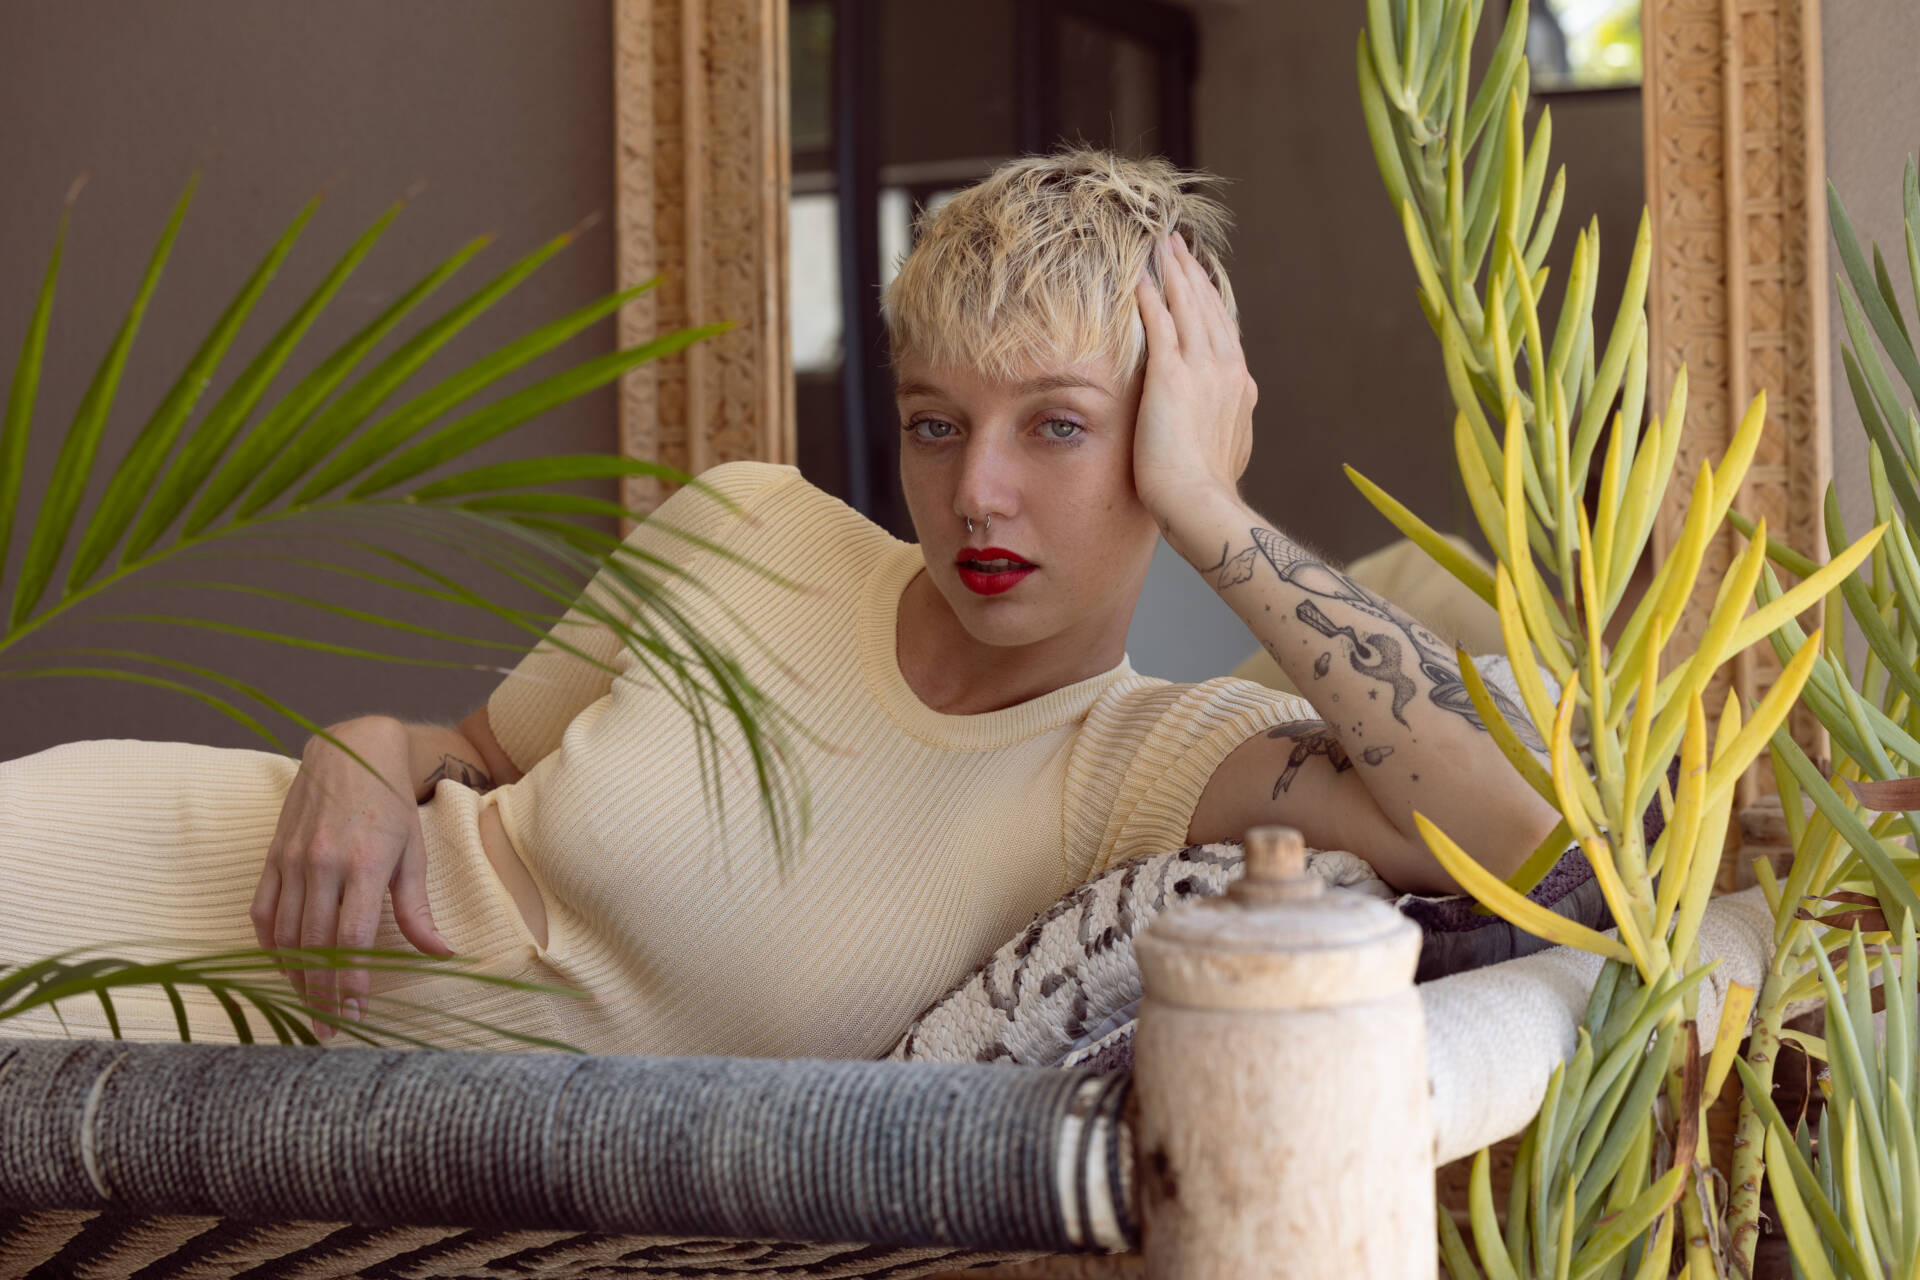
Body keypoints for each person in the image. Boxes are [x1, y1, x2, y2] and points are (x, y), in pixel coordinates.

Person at [0, 150, 1559, 1057]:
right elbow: (464, 750)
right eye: (939, 423)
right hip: (155, 882)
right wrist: (355, 745)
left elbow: (1515, 834)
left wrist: (1217, 513)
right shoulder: (748, 522)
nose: (978, 494)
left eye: (1060, 425)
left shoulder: (1141, 765)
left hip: (281, 1111)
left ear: (1174, 432)